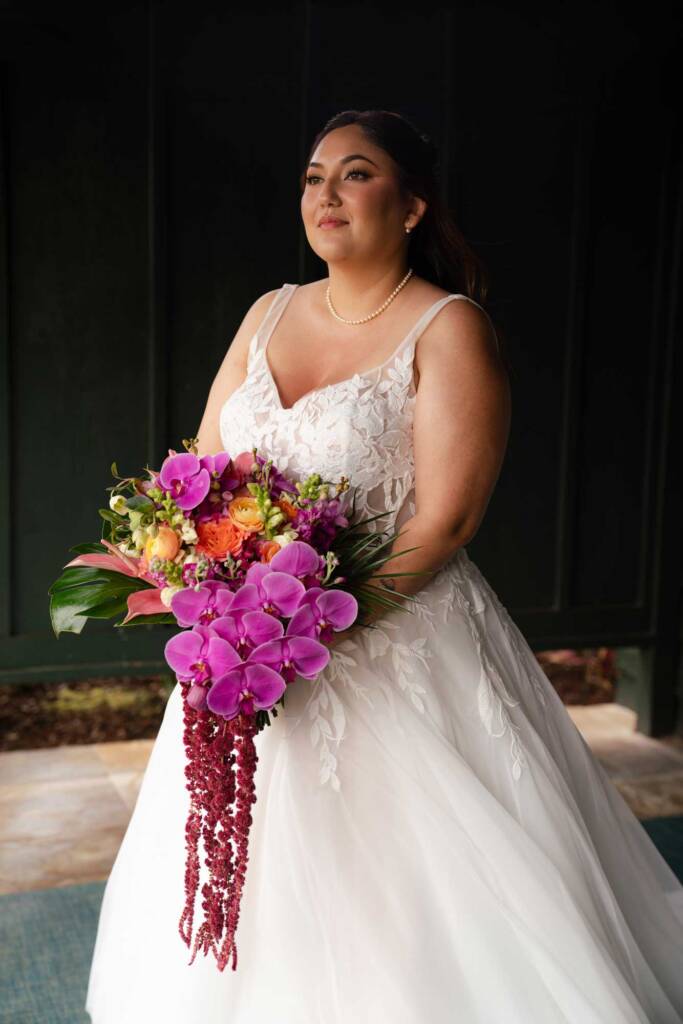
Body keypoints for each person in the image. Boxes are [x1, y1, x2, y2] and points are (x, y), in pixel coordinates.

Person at [85, 109, 683, 1023]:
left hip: (392, 642)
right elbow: (200, 473)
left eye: (354, 175)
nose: (324, 195)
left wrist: (300, 628)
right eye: (312, 177)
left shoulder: (448, 329)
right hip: (241, 649)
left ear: (410, 206)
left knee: (416, 881)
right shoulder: (266, 312)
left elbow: (448, 518)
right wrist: (210, 598)